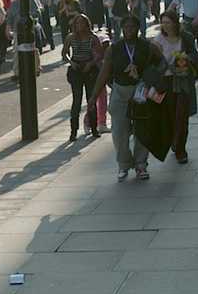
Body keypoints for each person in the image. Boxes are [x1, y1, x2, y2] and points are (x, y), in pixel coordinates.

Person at [89, 14, 161, 181]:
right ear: (122, 29)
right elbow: (104, 72)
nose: (129, 30)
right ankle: (123, 164)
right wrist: (93, 96)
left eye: (132, 27)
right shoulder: (114, 48)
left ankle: (141, 164)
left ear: (138, 28)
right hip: (120, 91)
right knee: (119, 131)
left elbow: (161, 64)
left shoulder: (147, 46)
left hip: (140, 90)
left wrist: (149, 78)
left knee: (142, 130)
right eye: (126, 27)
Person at [153, 11, 198, 164]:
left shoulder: (186, 37)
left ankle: (181, 149)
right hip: (165, 81)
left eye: (168, 22)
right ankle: (174, 139)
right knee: (170, 115)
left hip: (181, 80)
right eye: (163, 22)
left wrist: (186, 58)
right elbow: (153, 62)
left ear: (175, 23)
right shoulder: (157, 40)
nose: (166, 25)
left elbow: (194, 55)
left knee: (181, 115)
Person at [62, 14, 101, 142]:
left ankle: (94, 127)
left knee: (91, 99)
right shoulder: (70, 37)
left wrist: (91, 64)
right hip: (76, 69)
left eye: (82, 23)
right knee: (76, 100)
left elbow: (99, 54)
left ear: (87, 24)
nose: (80, 26)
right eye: (77, 24)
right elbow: (65, 53)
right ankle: (73, 131)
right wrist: (71, 62)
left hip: (89, 68)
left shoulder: (92, 38)